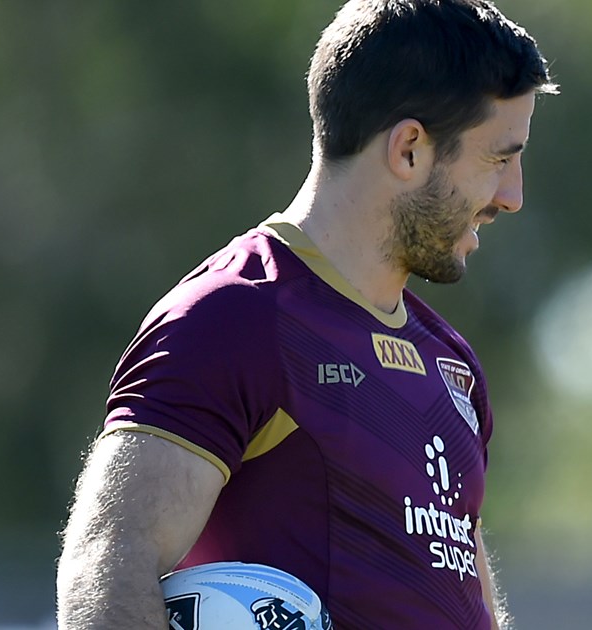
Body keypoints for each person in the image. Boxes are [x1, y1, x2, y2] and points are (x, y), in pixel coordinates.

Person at [54, 1, 554, 627]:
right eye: (499, 158)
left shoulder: (450, 363)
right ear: (409, 150)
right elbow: (111, 555)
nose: (513, 196)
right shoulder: (235, 317)